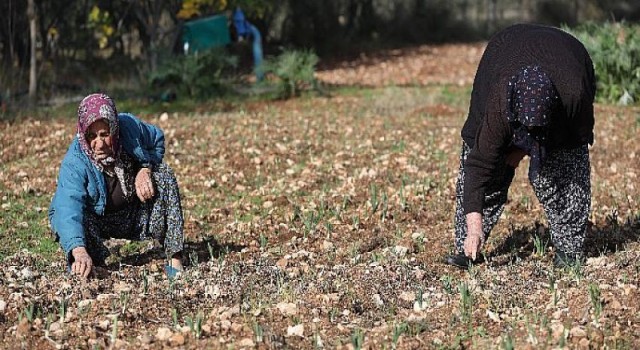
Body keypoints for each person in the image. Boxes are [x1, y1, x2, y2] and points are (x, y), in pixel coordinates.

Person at [445, 23, 596, 269]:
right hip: (504, 51)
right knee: (489, 166)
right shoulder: (498, 102)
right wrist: (474, 228)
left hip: (568, 56)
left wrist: (531, 151)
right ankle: (468, 246)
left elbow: (578, 141)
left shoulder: (573, 97)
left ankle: (569, 251)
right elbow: (478, 166)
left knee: (564, 178)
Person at [49, 93, 185, 278]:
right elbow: (67, 207)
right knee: (71, 217)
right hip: (100, 220)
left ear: (115, 128)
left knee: (164, 175)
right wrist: (78, 250)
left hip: (135, 212)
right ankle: (90, 264)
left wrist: (145, 168)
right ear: (83, 135)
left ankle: (175, 259)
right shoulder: (75, 161)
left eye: (105, 134)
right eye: (92, 136)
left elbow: (157, 140)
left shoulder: (128, 127)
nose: (99, 143)